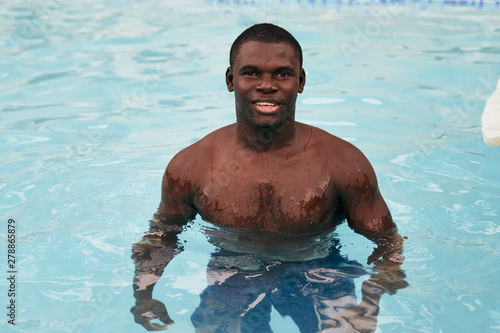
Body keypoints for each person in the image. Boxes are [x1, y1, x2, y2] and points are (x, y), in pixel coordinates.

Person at [131, 23, 408, 332]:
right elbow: (161, 237)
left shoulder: (343, 164)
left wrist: (370, 303)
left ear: (300, 81)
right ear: (230, 80)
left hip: (321, 269)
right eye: (251, 72)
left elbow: (388, 246)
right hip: (233, 271)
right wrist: (144, 295)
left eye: (282, 74)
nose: (267, 85)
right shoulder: (190, 167)